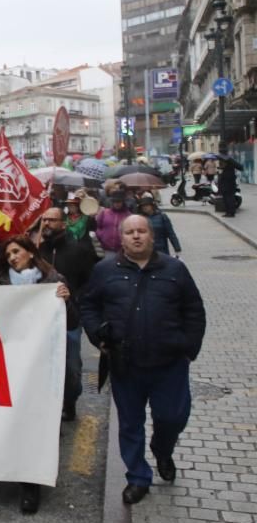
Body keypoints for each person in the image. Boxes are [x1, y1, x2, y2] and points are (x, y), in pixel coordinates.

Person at [80, 215, 206, 505]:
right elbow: (88, 305)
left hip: (169, 364)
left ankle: (163, 450)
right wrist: (96, 334)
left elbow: (194, 310)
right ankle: (138, 477)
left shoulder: (175, 270)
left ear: (151, 236)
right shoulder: (104, 270)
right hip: (126, 364)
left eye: (141, 231)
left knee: (172, 417)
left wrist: (188, 349)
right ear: (121, 238)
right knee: (130, 424)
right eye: (130, 232)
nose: (136, 236)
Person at [0, 234, 77, 514]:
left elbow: (73, 322)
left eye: (16, 251)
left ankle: (30, 485)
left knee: (34, 421)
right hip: (10, 361)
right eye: (8, 255)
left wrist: (66, 299)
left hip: (42, 363)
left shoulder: (52, 279)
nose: (12, 258)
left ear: (30, 252)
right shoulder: (1, 281)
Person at [39, 206, 100, 422]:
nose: (46, 224)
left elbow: (92, 280)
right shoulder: (37, 250)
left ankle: (70, 400)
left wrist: (76, 299)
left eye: (52, 220)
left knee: (71, 366)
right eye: (44, 220)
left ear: (63, 224)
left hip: (69, 318)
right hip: (42, 320)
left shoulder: (79, 250)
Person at [95, 192, 130, 259]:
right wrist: (100, 235)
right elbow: (98, 226)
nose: (117, 204)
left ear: (123, 202)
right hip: (106, 248)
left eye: (119, 202)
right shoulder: (104, 212)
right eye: (115, 202)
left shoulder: (128, 215)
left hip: (122, 250)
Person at [217, 149, 242, 218]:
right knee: (227, 199)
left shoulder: (229, 170)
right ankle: (228, 212)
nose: (221, 163)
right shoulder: (227, 169)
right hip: (227, 187)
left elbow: (226, 179)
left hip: (228, 187)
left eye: (223, 162)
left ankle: (230, 213)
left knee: (229, 199)